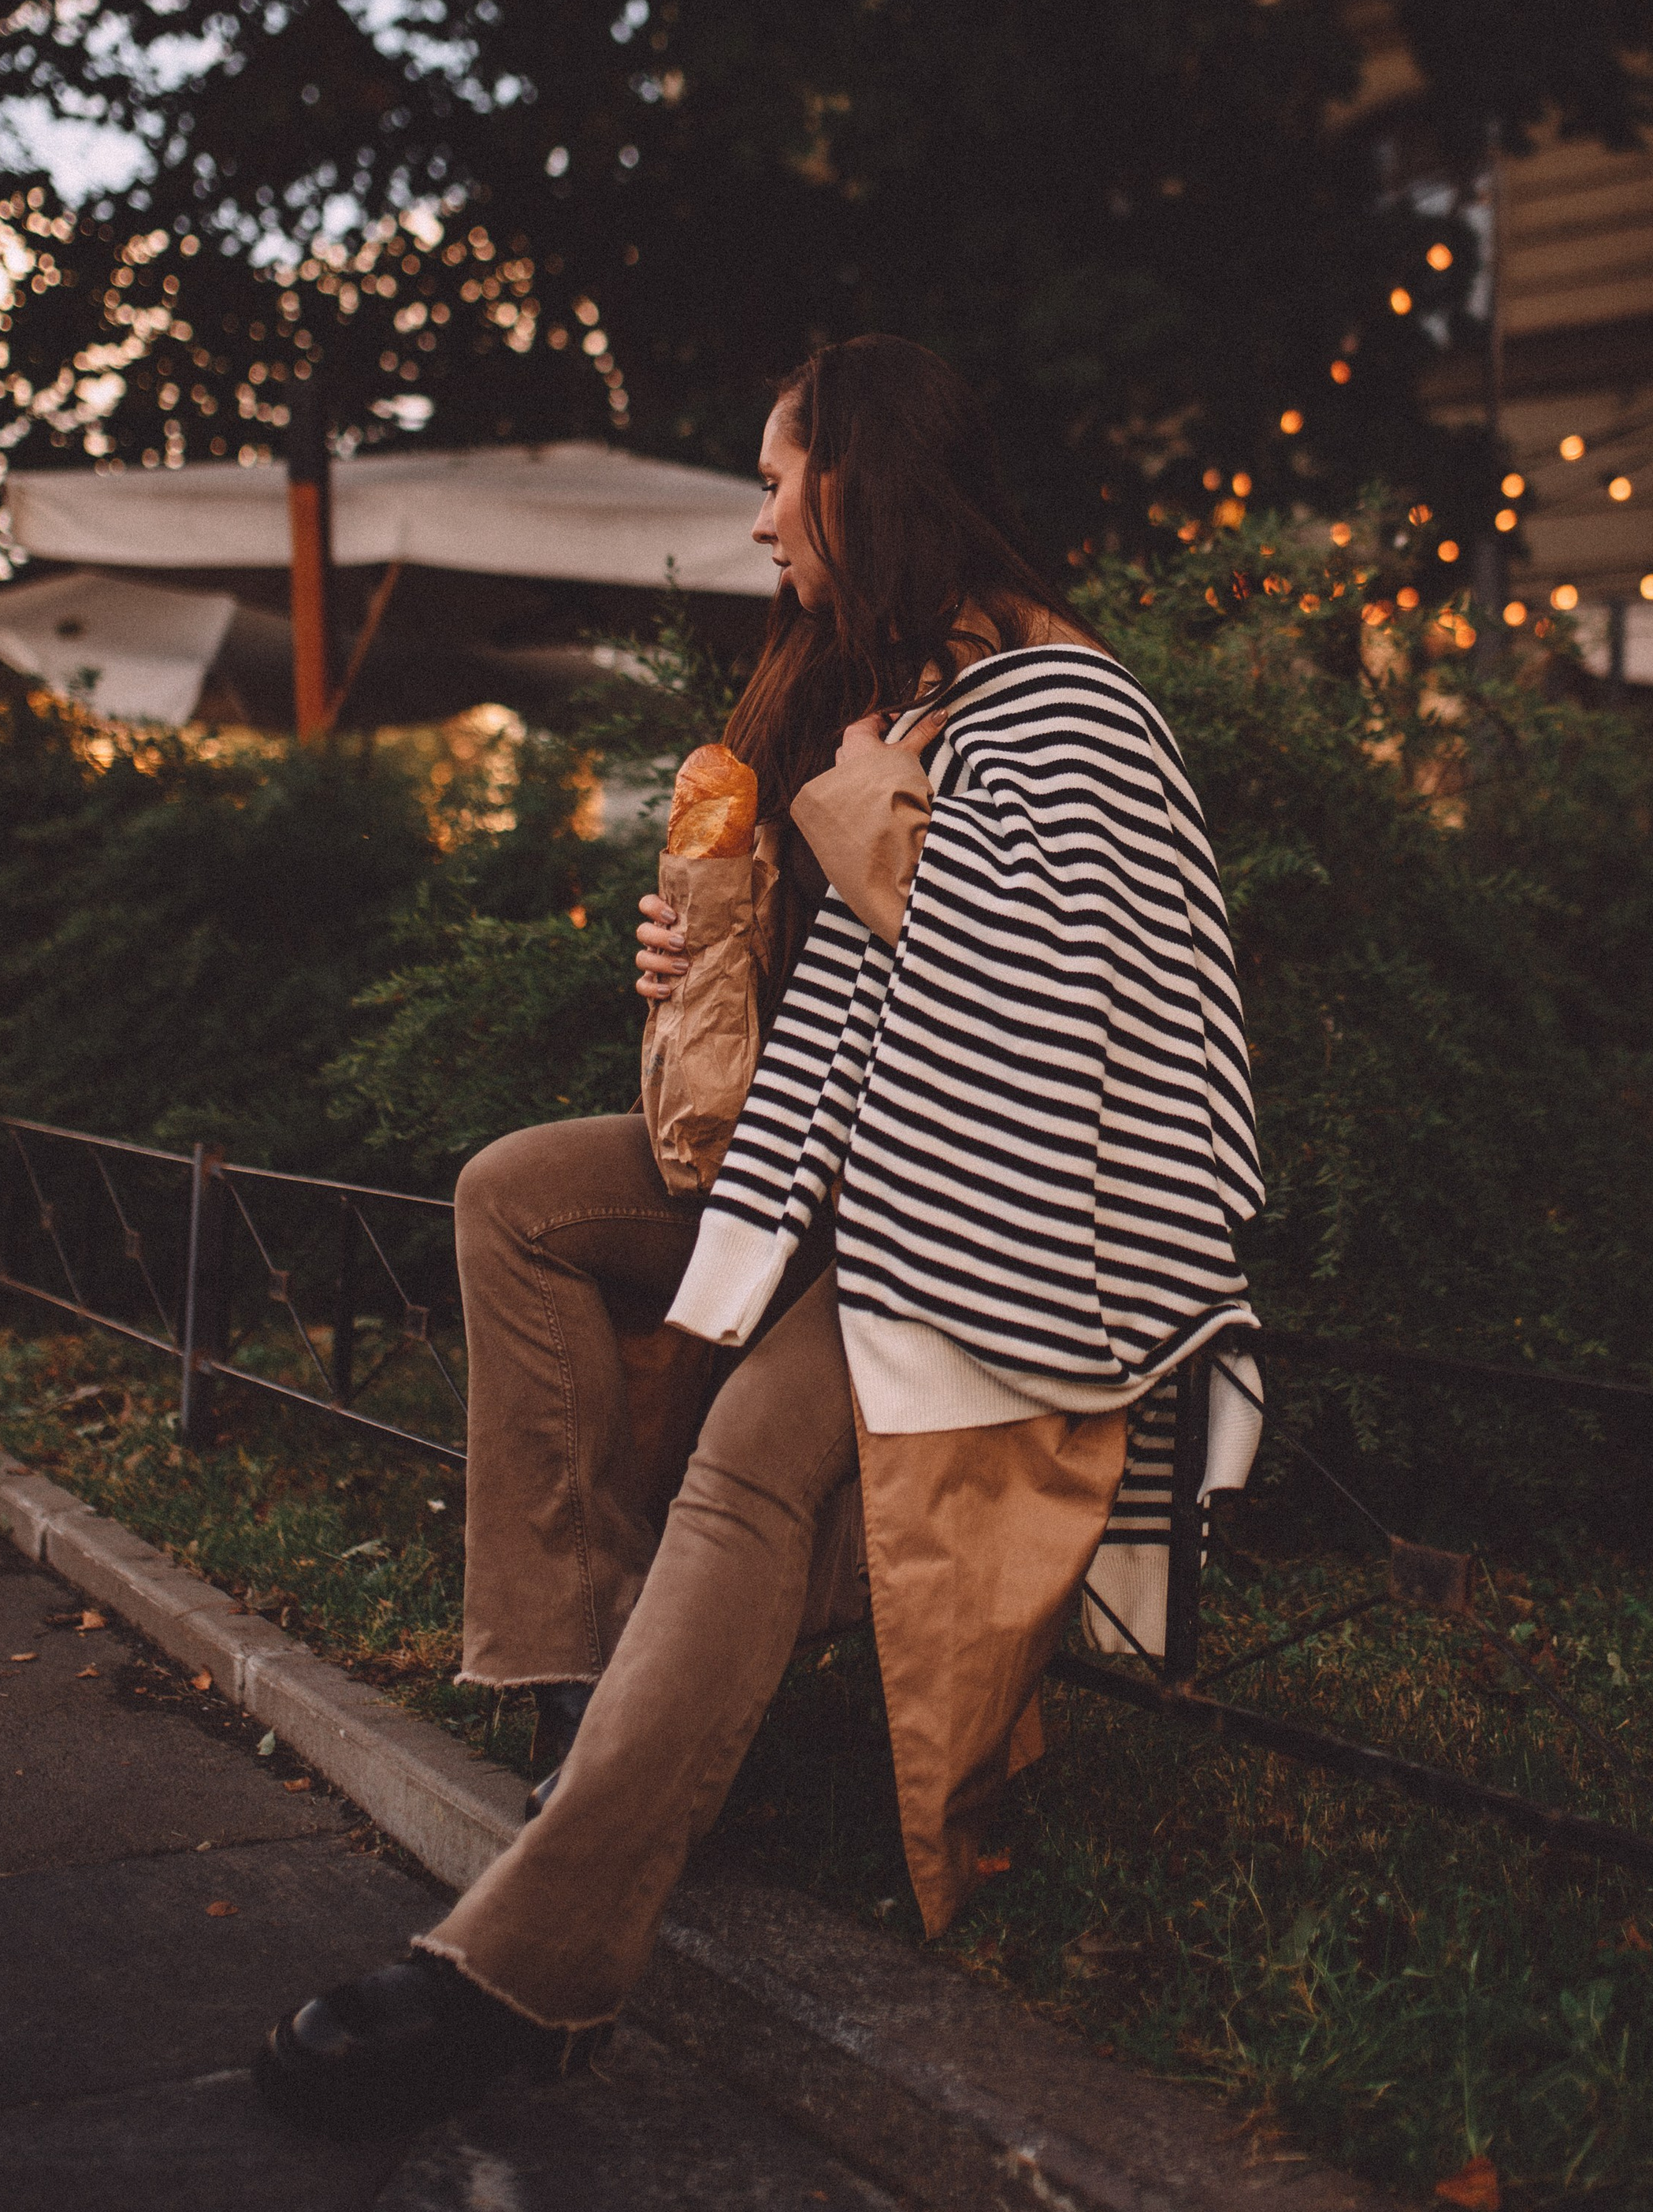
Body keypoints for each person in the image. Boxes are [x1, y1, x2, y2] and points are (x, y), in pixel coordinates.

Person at [254, 335, 1264, 2132]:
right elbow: (844, 993)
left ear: (855, 480)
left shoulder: (1063, 706)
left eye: (774, 479)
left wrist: (868, 836)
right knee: (519, 1197)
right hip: (842, 1181)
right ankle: (584, 1715)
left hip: (994, 1227)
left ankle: (529, 1962)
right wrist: (695, 960)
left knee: (750, 1450)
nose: (751, 524)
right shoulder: (876, 687)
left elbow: (1041, 1023)